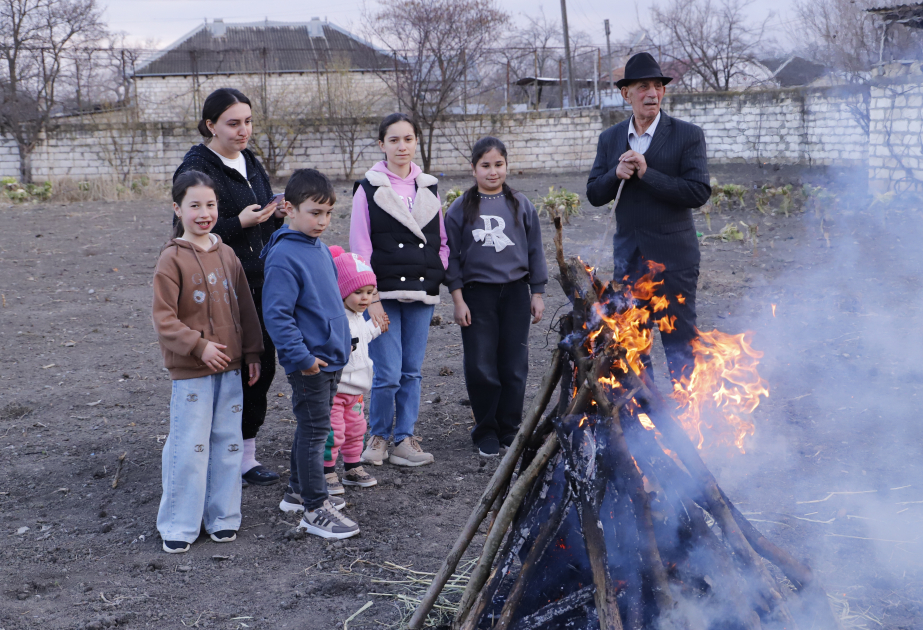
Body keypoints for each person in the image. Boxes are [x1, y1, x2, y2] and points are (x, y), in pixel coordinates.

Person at [174, 87, 284, 487]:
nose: (243, 131)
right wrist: (241, 223)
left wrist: (276, 215)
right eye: (233, 123)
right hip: (219, 284)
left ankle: (244, 456)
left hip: (262, 280)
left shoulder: (251, 160)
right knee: (226, 370)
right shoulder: (196, 168)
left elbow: (262, 219)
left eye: (248, 122)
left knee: (261, 368)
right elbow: (188, 228)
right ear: (210, 125)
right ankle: (214, 452)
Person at [152, 171, 264, 553]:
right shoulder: (171, 259)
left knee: (228, 444)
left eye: (211, 205)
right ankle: (179, 526)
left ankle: (222, 518)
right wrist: (198, 347)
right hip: (193, 373)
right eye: (194, 205)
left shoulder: (227, 253)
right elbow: (165, 319)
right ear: (177, 208)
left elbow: (245, 309)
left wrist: (251, 352)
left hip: (231, 368)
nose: (204, 213)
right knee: (189, 447)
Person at [586, 52, 711, 384]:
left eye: (658, 86)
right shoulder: (610, 139)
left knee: (680, 345)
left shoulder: (687, 135)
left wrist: (647, 172)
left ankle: (689, 418)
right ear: (626, 94)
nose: (652, 93)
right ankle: (646, 420)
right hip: (630, 265)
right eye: (643, 87)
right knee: (632, 349)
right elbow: (595, 194)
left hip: (674, 263)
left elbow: (698, 192)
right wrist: (615, 173)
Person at [261, 168, 359, 540]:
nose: (323, 221)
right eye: (314, 212)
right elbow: (277, 316)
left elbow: (325, 303)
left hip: (329, 358)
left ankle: (296, 492)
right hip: (310, 365)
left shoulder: (316, 247)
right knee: (317, 431)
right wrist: (302, 359)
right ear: (288, 208)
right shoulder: (285, 254)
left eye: (328, 213)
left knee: (311, 428)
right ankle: (315, 509)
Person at [349, 113, 447, 468]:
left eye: (408, 139)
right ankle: (378, 436)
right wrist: (370, 297)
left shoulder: (429, 187)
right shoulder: (369, 189)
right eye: (394, 140)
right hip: (383, 295)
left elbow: (442, 241)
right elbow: (360, 248)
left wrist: (438, 270)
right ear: (382, 145)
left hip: (422, 294)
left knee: (412, 371)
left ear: (416, 142)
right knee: (387, 372)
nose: (401, 146)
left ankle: (405, 438)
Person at [445, 137, 548, 457]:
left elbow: (535, 251)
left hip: (516, 293)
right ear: (473, 168)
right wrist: (458, 299)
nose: (492, 172)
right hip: (477, 296)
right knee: (480, 364)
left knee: (514, 364)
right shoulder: (460, 208)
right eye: (485, 166)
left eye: (498, 165)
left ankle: (510, 427)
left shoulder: (521, 204)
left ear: (507, 165)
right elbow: (452, 258)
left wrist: (538, 292)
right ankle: (486, 429)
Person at [322, 246, 386, 494]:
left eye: (370, 292)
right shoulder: (336, 318)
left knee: (356, 429)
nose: (365, 298)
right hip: (337, 390)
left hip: (357, 390)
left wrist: (377, 327)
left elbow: (365, 336)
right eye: (358, 292)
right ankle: (326, 472)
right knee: (333, 432)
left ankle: (352, 467)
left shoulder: (359, 317)